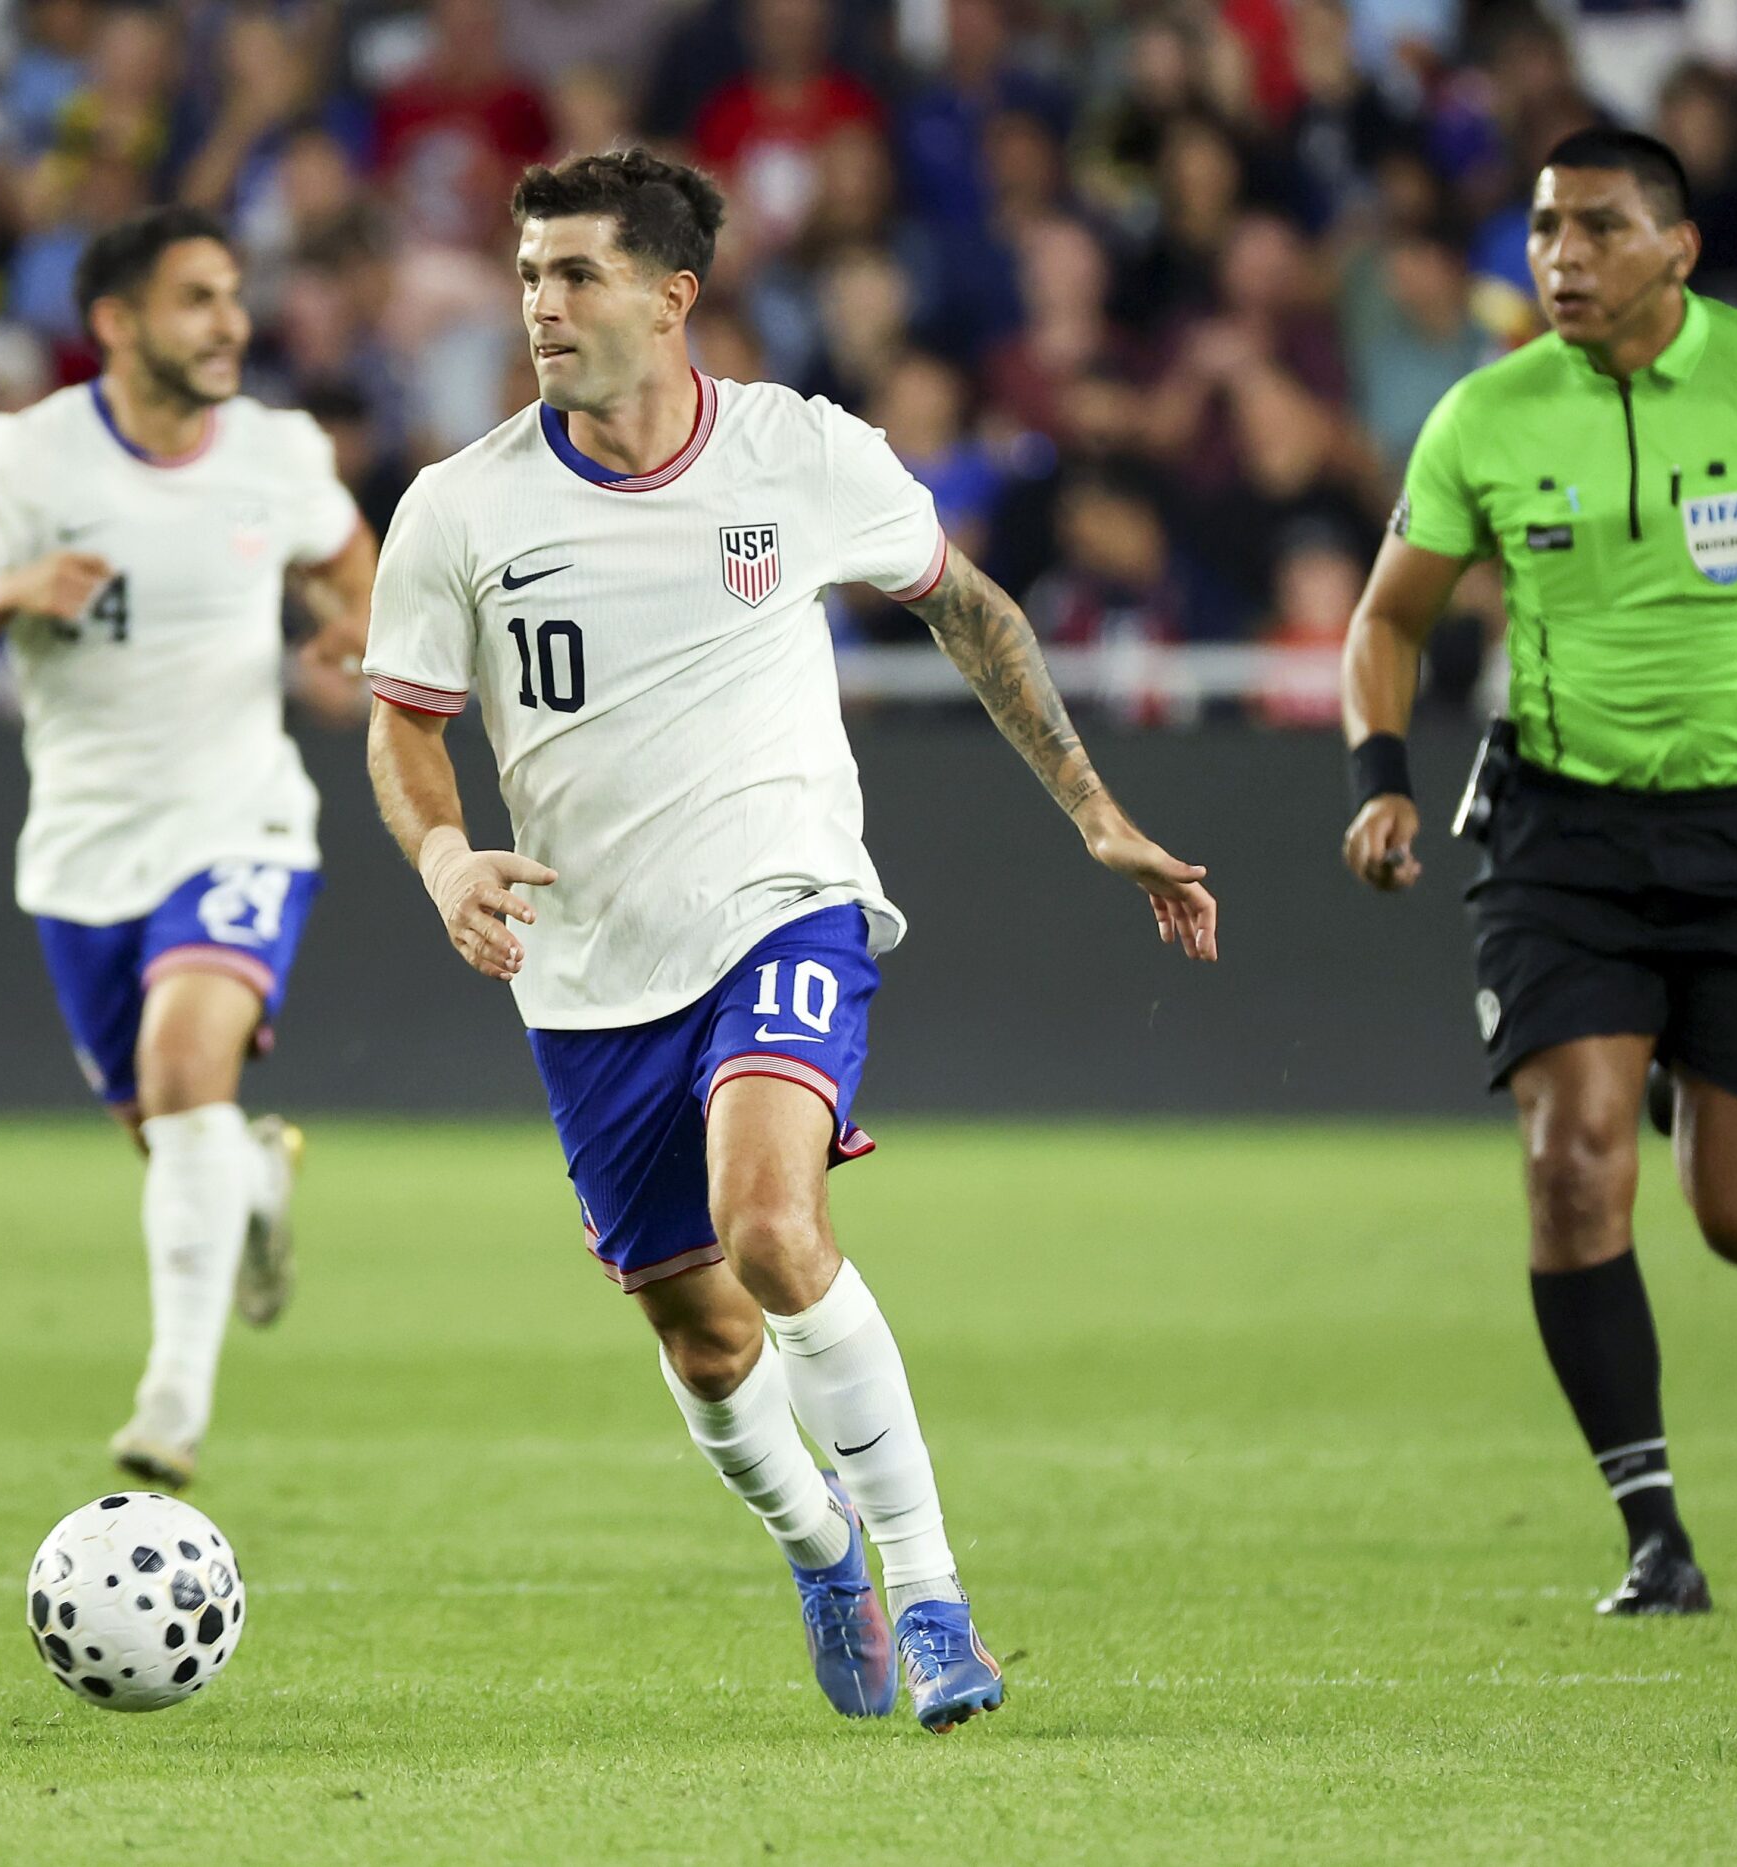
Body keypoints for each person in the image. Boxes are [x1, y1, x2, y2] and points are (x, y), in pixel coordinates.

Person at [362, 149, 1215, 1731]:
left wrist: (1091, 805)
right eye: (530, 272)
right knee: (700, 1330)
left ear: (673, 296)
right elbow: (403, 723)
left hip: (783, 899)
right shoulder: (459, 505)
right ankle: (820, 1546)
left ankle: (934, 1593)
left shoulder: (798, 454)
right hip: (587, 961)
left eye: (577, 274)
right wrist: (438, 855)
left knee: (771, 1223)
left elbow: (973, 608)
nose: (539, 303)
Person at [1337, 130, 1737, 1615]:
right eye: (1546, 227)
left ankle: (1682, 1062)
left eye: (1601, 229)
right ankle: (1653, 1528)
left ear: (1679, 250)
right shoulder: (1484, 418)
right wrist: (1380, 776)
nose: (1563, 257)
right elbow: (1388, 618)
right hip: (1561, 833)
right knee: (1572, 1163)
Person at [0, 206, 376, 1488]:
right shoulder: (28, 458)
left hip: (240, 817)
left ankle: (171, 1402)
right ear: (115, 322)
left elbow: (347, 565)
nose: (231, 324)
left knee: (180, 1064)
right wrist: (10, 593)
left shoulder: (275, 450)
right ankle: (255, 1183)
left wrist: (347, 627)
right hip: (83, 853)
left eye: (233, 296)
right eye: (198, 300)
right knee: (176, 1130)